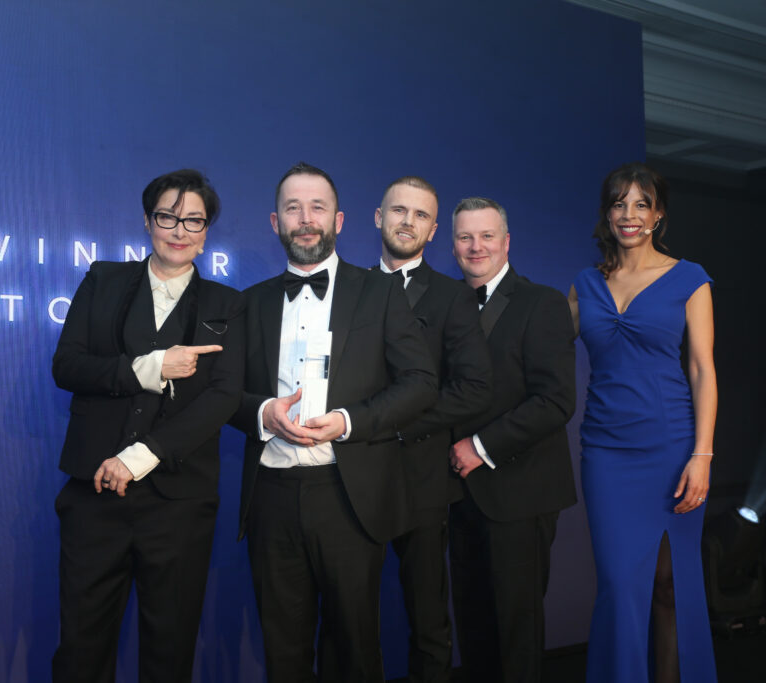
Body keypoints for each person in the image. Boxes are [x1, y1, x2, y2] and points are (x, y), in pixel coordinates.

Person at [229, 162, 438, 682]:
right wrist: (262, 413)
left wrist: (348, 420)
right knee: (283, 649)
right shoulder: (247, 303)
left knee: (355, 648)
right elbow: (223, 395)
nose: (305, 219)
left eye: (317, 207)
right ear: (273, 221)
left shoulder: (381, 292)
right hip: (272, 497)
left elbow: (420, 383)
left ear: (340, 220)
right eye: (292, 208)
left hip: (348, 494)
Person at [51, 168, 245, 682]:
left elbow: (223, 397)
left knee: (170, 651)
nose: (179, 230)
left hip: (179, 505)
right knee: (81, 649)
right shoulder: (103, 280)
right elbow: (66, 366)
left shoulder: (229, 305)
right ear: (147, 221)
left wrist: (142, 456)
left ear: (206, 234)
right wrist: (150, 367)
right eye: (168, 217)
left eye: (194, 221)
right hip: (93, 496)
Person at [568, 162, 717, 682]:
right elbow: (540, 353)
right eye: (618, 203)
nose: (629, 214)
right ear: (607, 214)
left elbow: (702, 369)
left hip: (674, 446)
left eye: (640, 203)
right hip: (606, 453)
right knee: (617, 585)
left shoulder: (689, 278)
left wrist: (702, 455)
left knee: (670, 583)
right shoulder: (584, 284)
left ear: (658, 214)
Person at [447, 197, 577, 683]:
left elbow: (556, 400)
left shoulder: (541, 303)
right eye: (465, 237)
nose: (475, 246)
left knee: (516, 634)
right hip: (457, 495)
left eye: (486, 236)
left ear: (506, 242)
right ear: (453, 243)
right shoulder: (445, 303)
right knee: (474, 628)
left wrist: (478, 448)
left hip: (521, 491)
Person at [372, 177, 492, 683]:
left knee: (427, 616)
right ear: (378, 217)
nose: (407, 221)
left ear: (433, 229)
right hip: (351, 476)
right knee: (348, 614)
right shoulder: (347, 285)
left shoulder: (453, 298)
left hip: (421, 475)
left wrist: (396, 426)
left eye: (420, 215)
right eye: (398, 210)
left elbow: (474, 388)